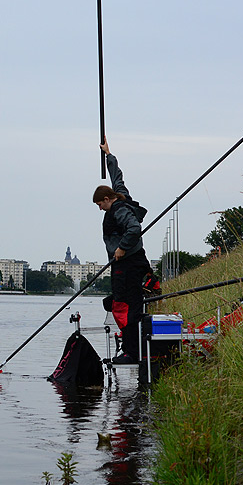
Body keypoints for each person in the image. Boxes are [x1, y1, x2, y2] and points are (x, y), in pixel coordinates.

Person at [94, 140, 153, 363]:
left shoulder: (118, 209)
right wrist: (109, 155)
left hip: (127, 264)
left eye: (100, 204)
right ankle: (131, 348)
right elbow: (117, 177)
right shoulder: (120, 196)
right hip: (132, 262)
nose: (100, 208)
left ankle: (131, 353)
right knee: (121, 304)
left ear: (107, 199)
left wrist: (121, 248)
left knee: (124, 307)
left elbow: (134, 228)